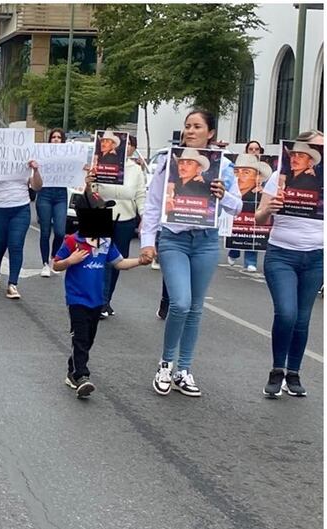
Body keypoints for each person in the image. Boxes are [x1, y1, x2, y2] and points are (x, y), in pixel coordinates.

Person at [139, 109, 242, 397]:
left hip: (207, 242)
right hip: (175, 239)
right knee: (180, 303)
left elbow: (238, 207)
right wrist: (148, 240)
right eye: (187, 126)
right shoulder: (168, 162)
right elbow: (153, 203)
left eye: (197, 126)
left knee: (196, 307)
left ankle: (184, 369)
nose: (190, 131)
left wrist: (226, 195)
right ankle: (166, 364)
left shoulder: (222, 168)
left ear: (210, 133)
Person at [255, 130, 324, 398]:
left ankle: (293, 373)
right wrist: (268, 209)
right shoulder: (279, 178)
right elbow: (259, 218)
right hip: (282, 253)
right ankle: (277, 370)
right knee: (287, 313)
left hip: (316, 256)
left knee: (303, 319)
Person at [54, 211, 147, 398]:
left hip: (96, 301)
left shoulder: (106, 243)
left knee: (88, 339)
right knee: (80, 338)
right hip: (77, 299)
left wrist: (140, 261)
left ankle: (73, 371)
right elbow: (56, 264)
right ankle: (82, 376)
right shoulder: (73, 241)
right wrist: (69, 261)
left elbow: (119, 263)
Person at [89, 134, 148, 318]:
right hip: (98, 215)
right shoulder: (97, 164)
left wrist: (144, 216)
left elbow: (140, 195)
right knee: (96, 259)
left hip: (124, 218)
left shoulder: (135, 170)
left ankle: (105, 300)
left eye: (129, 144)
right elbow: (90, 192)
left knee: (116, 262)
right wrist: (89, 180)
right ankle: (95, 300)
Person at [0, 156, 43, 299]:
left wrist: (35, 170)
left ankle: (13, 284)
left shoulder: (27, 161)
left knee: (16, 245)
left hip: (20, 208)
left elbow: (37, 186)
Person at [36, 128, 70, 277]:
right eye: (53, 137)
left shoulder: (68, 155)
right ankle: (44, 263)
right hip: (45, 193)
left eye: (59, 137)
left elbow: (75, 169)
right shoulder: (42, 155)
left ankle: (53, 258)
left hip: (60, 195)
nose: (56, 139)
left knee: (60, 232)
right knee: (44, 231)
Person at [228, 140, 266, 271]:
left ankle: (251, 262)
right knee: (237, 231)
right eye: (251, 149)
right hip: (238, 206)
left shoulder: (262, 177)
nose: (254, 151)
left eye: (257, 149)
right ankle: (233, 251)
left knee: (252, 233)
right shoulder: (236, 170)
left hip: (253, 208)